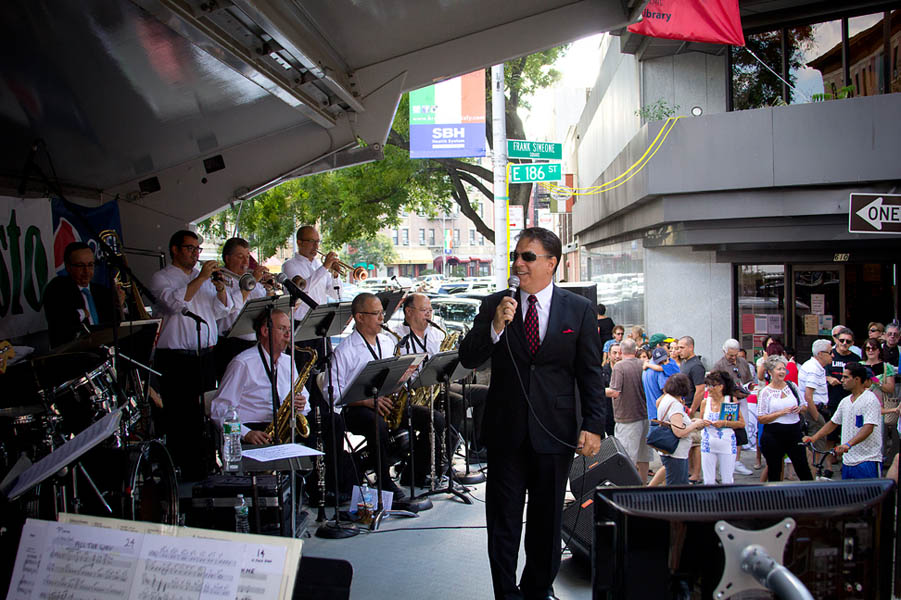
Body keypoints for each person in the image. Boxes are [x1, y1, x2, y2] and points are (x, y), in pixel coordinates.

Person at [458, 227, 604, 600]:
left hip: (555, 432)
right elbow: (469, 357)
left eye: (528, 257)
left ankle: (538, 589)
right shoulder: (495, 304)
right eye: (516, 256)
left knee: (547, 520)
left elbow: (590, 373)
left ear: (551, 263)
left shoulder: (578, 309)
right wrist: (494, 327)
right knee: (503, 522)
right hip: (506, 432)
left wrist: (594, 425)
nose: (519, 264)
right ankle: (506, 594)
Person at [325, 293, 433, 498]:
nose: (382, 318)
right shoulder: (344, 350)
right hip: (356, 409)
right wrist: (366, 401)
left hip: (385, 403)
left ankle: (415, 472)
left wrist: (403, 377)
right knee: (378, 425)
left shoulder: (386, 342)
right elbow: (331, 394)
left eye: (382, 313)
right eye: (376, 314)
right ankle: (384, 480)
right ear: (360, 317)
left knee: (433, 418)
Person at [150, 230, 230, 479]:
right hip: (176, 357)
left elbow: (221, 312)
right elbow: (174, 304)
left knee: (206, 412)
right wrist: (202, 277)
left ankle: (207, 463)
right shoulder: (162, 277)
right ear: (175, 250)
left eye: (197, 249)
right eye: (190, 248)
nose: (195, 254)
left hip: (205, 354)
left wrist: (220, 290)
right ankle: (184, 469)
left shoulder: (201, 277)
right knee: (181, 415)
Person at [210, 310, 308, 444]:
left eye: (289, 330)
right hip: (253, 430)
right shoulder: (242, 363)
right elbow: (218, 410)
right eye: (282, 329)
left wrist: (301, 403)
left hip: (283, 426)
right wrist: (246, 434)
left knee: (329, 423)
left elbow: (305, 401)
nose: (288, 335)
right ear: (265, 331)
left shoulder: (288, 361)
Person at [390, 292, 454, 485]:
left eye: (430, 310)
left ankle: (443, 462)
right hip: (406, 397)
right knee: (436, 418)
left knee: (459, 403)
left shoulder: (435, 334)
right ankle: (415, 473)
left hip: (431, 389)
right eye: (424, 310)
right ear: (408, 312)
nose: (429, 314)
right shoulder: (393, 336)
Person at [803, 362, 883, 479]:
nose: (842, 380)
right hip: (848, 461)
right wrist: (814, 438)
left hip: (867, 460)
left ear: (857, 379)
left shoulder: (870, 399)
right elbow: (833, 423)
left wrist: (848, 444)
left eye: (846, 377)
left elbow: (868, 428)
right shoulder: (845, 401)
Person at [43, 241, 124, 347]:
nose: (86, 271)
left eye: (90, 265)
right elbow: (60, 320)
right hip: (74, 352)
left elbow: (117, 324)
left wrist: (120, 305)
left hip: (104, 349)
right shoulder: (57, 288)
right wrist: (82, 313)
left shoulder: (101, 292)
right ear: (68, 267)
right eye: (80, 266)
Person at [214, 237, 271, 381]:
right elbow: (232, 305)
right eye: (240, 257)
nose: (246, 262)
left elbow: (265, 303)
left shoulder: (248, 278)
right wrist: (253, 280)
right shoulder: (221, 278)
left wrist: (270, 289)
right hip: (230, 344)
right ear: (228, 258)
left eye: (247, 257)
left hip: (253, 341)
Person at [756, 355, 814, 482]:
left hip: (794, 431)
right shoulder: (765, 392)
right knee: (775, 470)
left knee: (803, 467)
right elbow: (761, 418)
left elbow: (804, 406)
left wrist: (799, 409)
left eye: (784, 369)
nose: (782, 372)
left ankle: (811, 492)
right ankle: (775, 493)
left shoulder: (792, 386)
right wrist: (781, 413)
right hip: (773, 434)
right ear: (770, 372)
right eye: (779, 369)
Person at [609, 338, 652, 482]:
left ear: (621, 351)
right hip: (645, 416)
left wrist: (598, 391)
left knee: (627, 458)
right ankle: (643, 486)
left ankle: (628, 488)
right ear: (635, 350)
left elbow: (615, 392)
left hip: (627, 419)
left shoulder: (619, 367)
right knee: (643, 457)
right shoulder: (643, 364)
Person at [713, 338, 755, 475]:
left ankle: (736, 460)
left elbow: (749, 379)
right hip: (728, 401)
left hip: (742, 399)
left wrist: (749, 388)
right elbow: (715, 387)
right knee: (730, 430)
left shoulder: (743, 363)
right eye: (730, 355)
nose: (733, 358)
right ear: (724, 352)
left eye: (735, 355)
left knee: (741, 429)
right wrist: (731, 395)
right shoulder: (719, 365)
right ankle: (728, 461)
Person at [655, 373, 706, 486]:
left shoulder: (665, 399)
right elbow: (679, 432)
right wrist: (695, 425)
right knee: (676, 484)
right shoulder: (675, 405)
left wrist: (689, 422)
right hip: (676, 452)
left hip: (669, 450)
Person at [281, 225, 341, 321]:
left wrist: (335, 275)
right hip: (299, 320)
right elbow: (302, 290)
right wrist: (325, 267)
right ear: (299, 242)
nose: (316, 246)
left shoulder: (319, 265)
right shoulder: (289, 265)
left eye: (317, 241)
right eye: (312, 241)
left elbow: (336, 295)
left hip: (322, 319)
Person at [699, 370, 745, 485]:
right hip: (708, 444)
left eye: (712, 386)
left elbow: (741, 423)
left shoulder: (730, 401)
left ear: (721, 386)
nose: (708, 389)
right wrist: (701, 423)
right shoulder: (705, 402)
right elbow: (700, 422)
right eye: (707, 386)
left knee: (727, 480)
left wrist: (724, 423)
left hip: (726, 444)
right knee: (708, 480)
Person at [678, 335, 706, 483]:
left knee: (695, 443)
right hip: (685, 407)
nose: (679, 350)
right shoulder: (685, 363)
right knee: (689, 441)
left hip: (692, 409)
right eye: (678, 347)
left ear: (691, 347)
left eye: (682, 347)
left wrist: (692, 409)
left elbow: (700, 390)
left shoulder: (696, 366)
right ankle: (689, 471)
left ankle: (696, 473)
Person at [642, 347, 672, 421]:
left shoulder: (645, 370)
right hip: (662, 415)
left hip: (651, 413)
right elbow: (667, 391)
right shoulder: (659, 371)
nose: (663, 363)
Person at [601, 343, 621, 438]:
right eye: (614, 353)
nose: (617, 356)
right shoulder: (603, 371)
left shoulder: (625, 370)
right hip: (608, 413)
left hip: (623, 415)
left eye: (620, 353)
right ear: (609, 354)